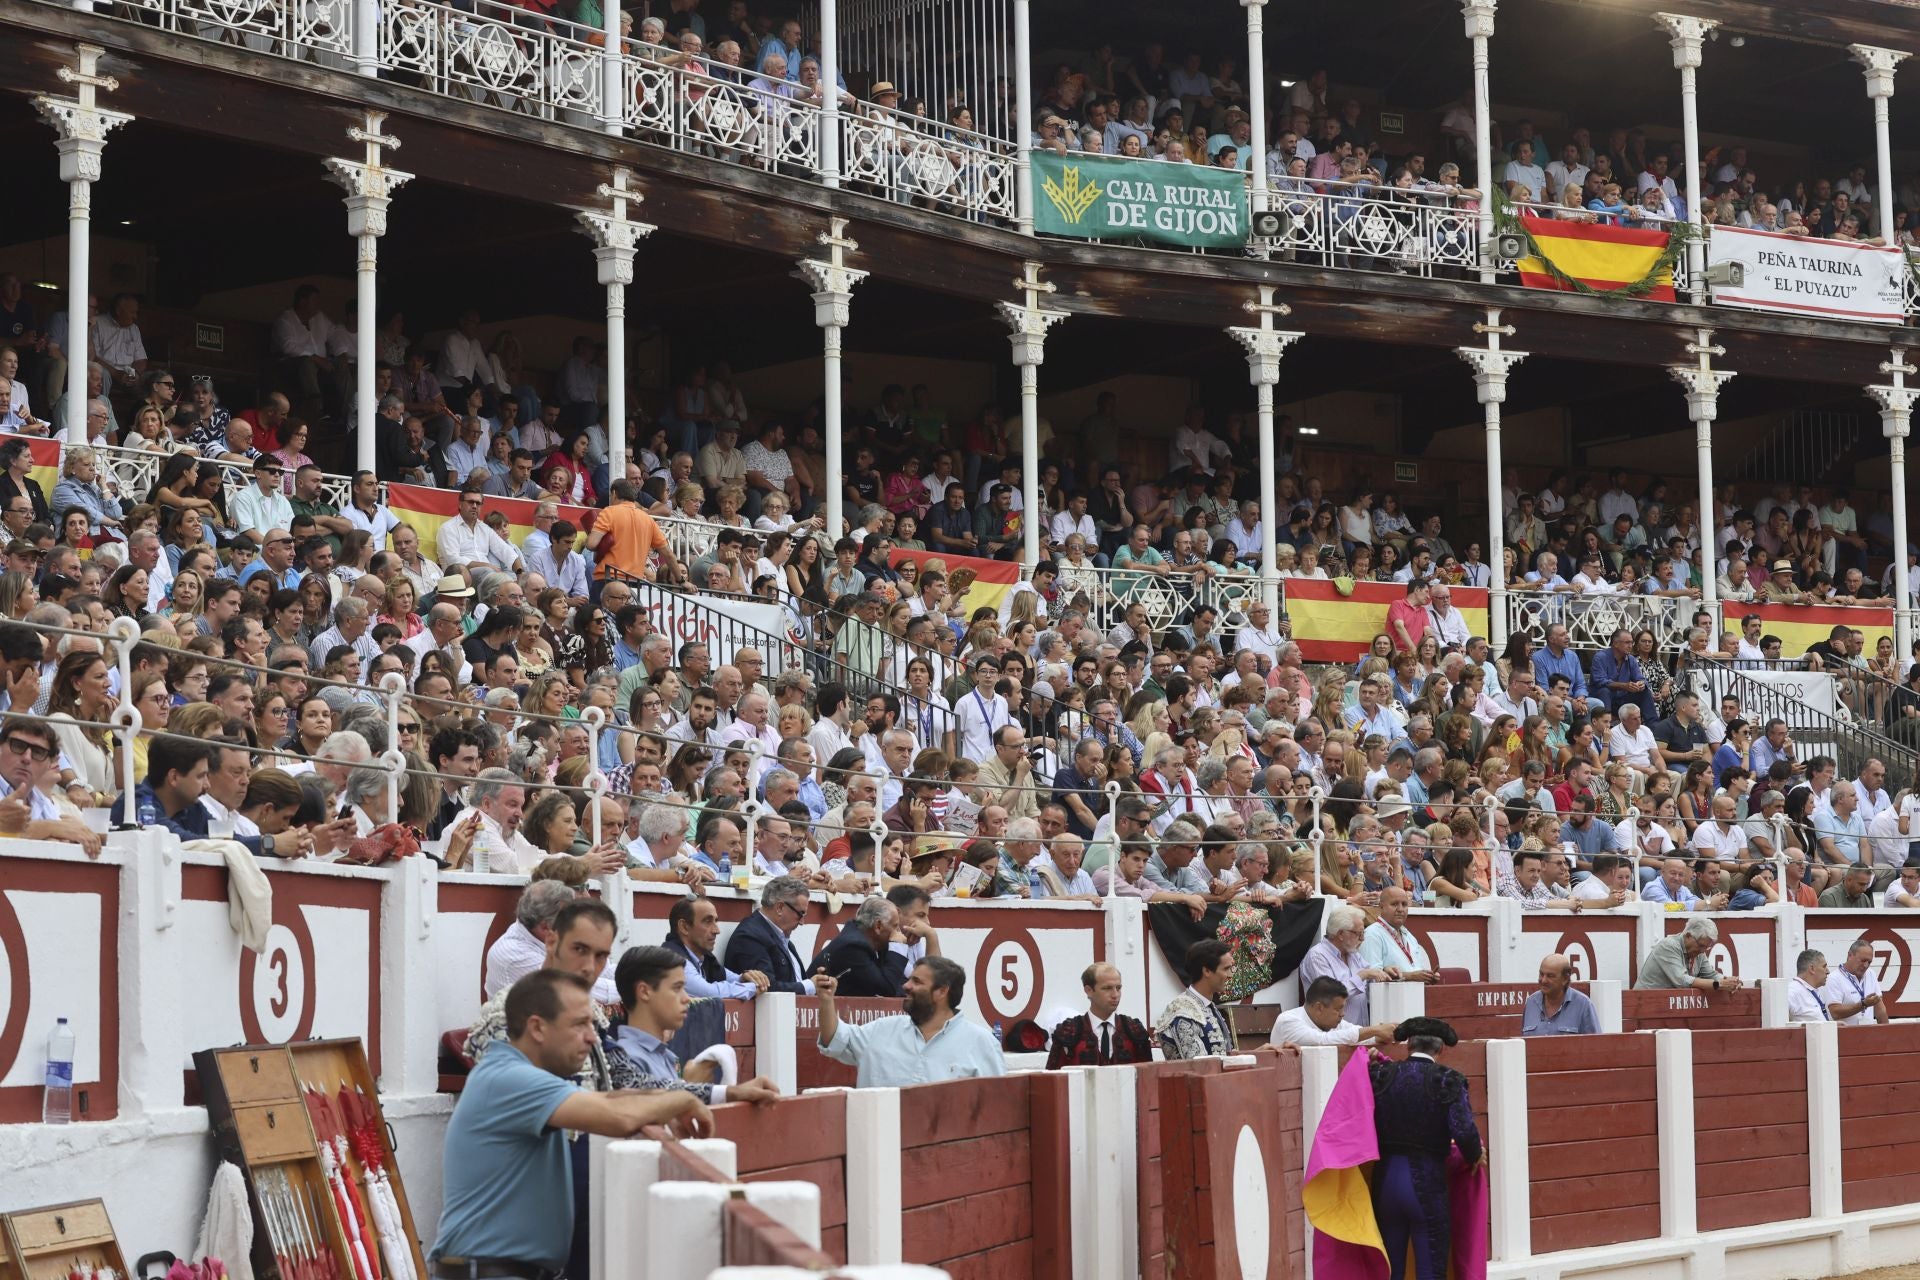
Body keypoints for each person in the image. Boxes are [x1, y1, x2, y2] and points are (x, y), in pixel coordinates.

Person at [429, 970, 713, 1280]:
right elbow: (618, 1116)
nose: (592, 1037)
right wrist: (682, 1100)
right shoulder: (512, 1078)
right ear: (537, 1027)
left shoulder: (515, 1073)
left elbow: (611, 1100)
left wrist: (672, 1098)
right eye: (579, 1024)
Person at [1367, 1018, 1483, 1280]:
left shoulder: (1380, 1074)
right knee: (1431, 1270)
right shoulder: (1448, 1079)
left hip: (1385, 1182)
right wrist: (1476, 1154)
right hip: (1426, 1184)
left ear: (1408, 1044)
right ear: (1440, 1049)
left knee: (1389, 1270)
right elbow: (1463, 1130)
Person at [610, 945, 783, 1103]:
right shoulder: (628, 1059)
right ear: (645, 992)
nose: (686, 998)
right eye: (676, 988)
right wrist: (729, 1091)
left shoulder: (659, 1054)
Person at [813, 960, 1005, 1086]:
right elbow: (835, 1039)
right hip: (880, 1144)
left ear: (941, 992)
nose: (906, 986)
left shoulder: (982, 1043)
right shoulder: (882, 1030)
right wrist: (826, 999)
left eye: (917, 982)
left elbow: (994, 1107)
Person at [1299, 903, 1395, 1024]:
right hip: (1331, 1035)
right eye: (1359, 934)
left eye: (1363, 933)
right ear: (1340, 934)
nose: (1362, 939)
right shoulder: (1317, 956)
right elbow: (1331, 996)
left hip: (1358, 1032)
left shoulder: (1354, 954)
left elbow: (1370, 980)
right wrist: (1362, 975)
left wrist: (1384, 972)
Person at [1044, 963, 1153, 1068]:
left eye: (1118, 988)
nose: (1115, 995)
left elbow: (1147, 1078)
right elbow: (1054, 1082)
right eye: (1107, 988)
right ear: (1089, 990)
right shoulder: (1068, 1032)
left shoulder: (1134, 1031)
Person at [722, 874, 817, 994]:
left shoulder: (782, 939)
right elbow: (766, 987)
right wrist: (810, 986)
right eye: (800, 914)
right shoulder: (750, 937)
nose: (802, 922)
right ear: (780, 908)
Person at [1154, 939, 1237, 1059]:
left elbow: (1225, 1055)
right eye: (1225, 969)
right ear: (1207, 971)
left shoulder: (1206, 1006)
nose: (1230, 975)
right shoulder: (1183, 1012)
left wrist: (1257, 1053)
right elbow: (1197, 1066)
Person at [807, 895, 903, 995]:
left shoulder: (870, 942)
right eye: (895, 926)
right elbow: (887, 989)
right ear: (878, 926)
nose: (898, 933)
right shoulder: (853, 947)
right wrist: (898, 948)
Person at [1269, 976, 1397, 1048]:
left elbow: (1357, 1036)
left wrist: (1382, 1035)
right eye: (1338, 1009)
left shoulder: (1333, 1023)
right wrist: (1375, 1030)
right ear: (1319, 1008)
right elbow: (1322, 1041)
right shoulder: (1288, 1020)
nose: (1342, 1014)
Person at [1632, 916, 1741, 992]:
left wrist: (1729, 981)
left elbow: (1711, 974)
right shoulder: (1668, 945)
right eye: (1701, 945)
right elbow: (1682, 981)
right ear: (1688, 936)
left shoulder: (1699, 952)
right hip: (1644, 1003)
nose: (1703, 951)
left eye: (1706, 947)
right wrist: (1718, 984)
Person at [1360, 887, 1438, 982]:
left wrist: (1428, 977)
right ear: (1381, 907)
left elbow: (1417, 971)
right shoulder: (1372, 934)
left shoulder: (1409, 936)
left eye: (1404, 904)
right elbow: (1371, 977)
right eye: (1394, 904)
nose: (1400, 909)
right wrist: (1411, 976)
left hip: (1413, 994)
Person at [1521, 954, 1601, 1036]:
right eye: (1541, 974)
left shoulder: (1583, 1005)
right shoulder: (1531, 1003)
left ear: (1565, 979)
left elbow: (1596, 1045)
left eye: (1550, 976)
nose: (1544, 980)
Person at [1822, 937, 1889, 1026]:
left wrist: (1887, 1034)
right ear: (1850, 955)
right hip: (1844, 1036)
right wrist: (1863, 1004)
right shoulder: (1834, 978)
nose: (1866, 965)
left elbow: (1880, 1009)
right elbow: (1835, 1012)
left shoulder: (1871, 974)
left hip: (1868, 1034)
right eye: (1863, 960)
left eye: (1869, 962)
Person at [1787, 948, 1834, 1023]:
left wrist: (1833, 1025)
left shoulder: (1812, 990)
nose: (1828, 971)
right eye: (1824, 966)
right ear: (1812, 969)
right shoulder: (1792, 991)